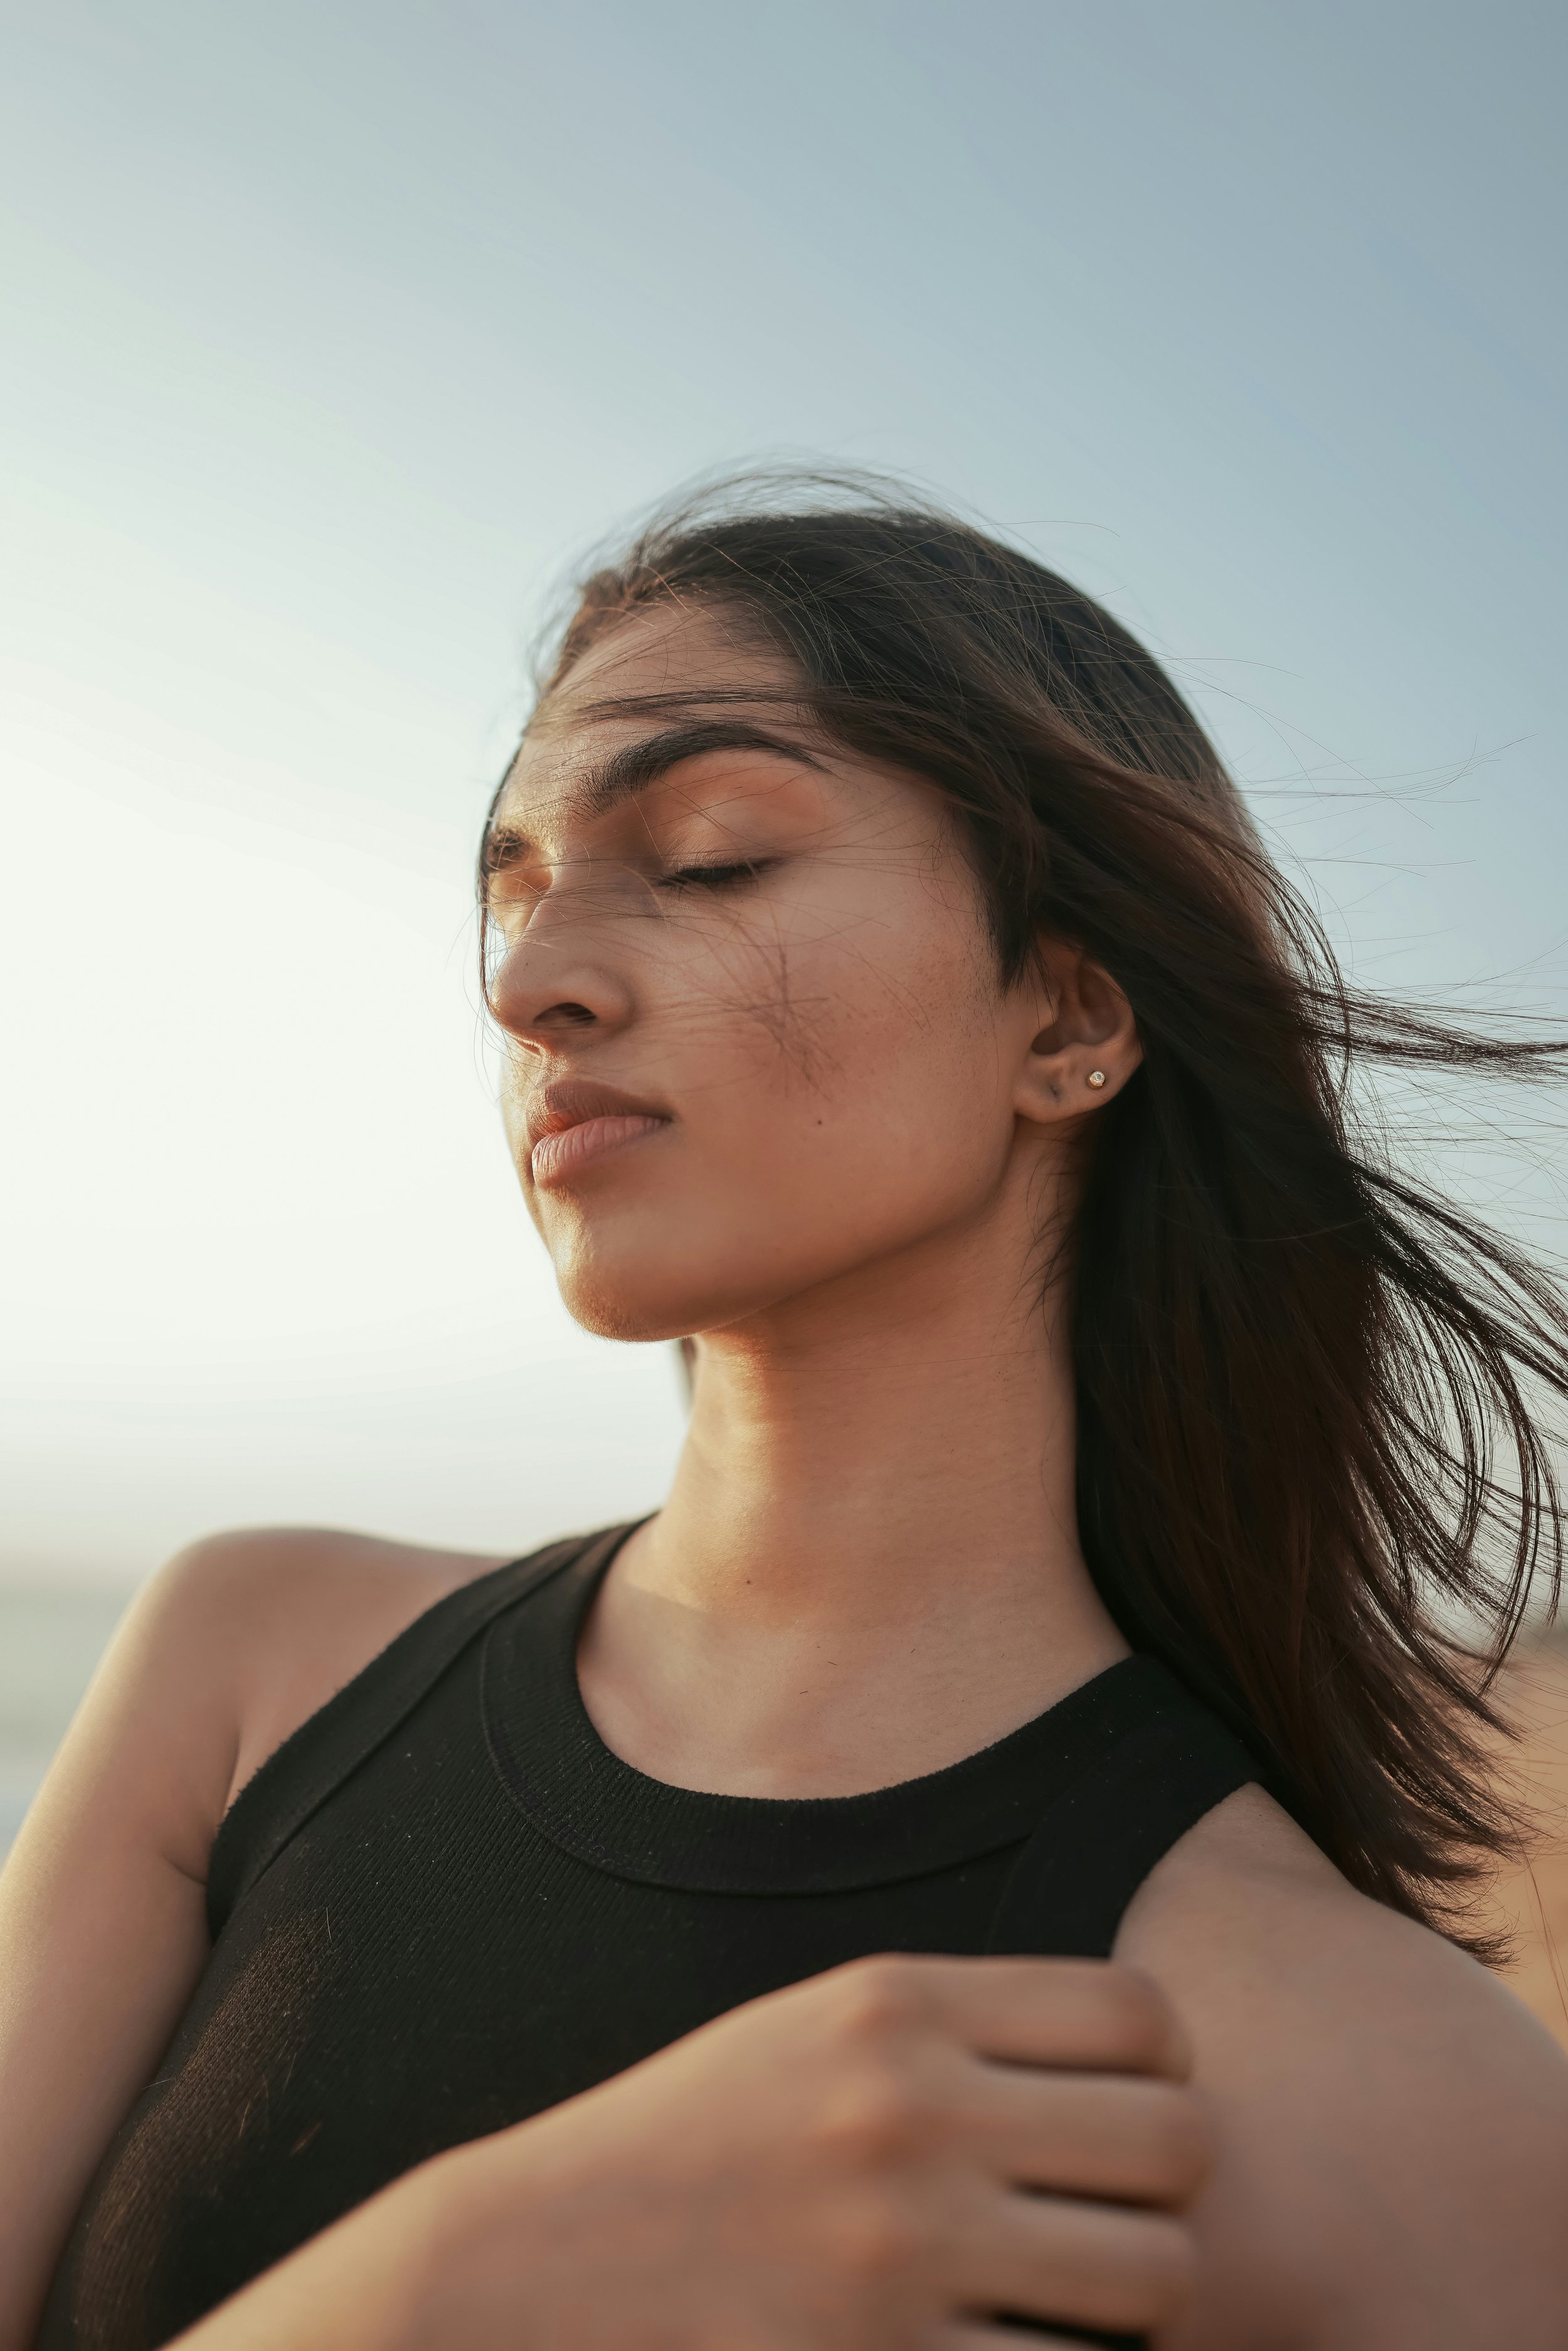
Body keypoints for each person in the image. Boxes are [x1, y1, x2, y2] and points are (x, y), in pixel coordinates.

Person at [4, 477, 1567, 2351]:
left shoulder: (1383, 2089)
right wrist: (466, 2280)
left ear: (1067, 1013)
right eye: (510, 885)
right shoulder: (250, 1662)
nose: (529, 982)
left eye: (714, 853)